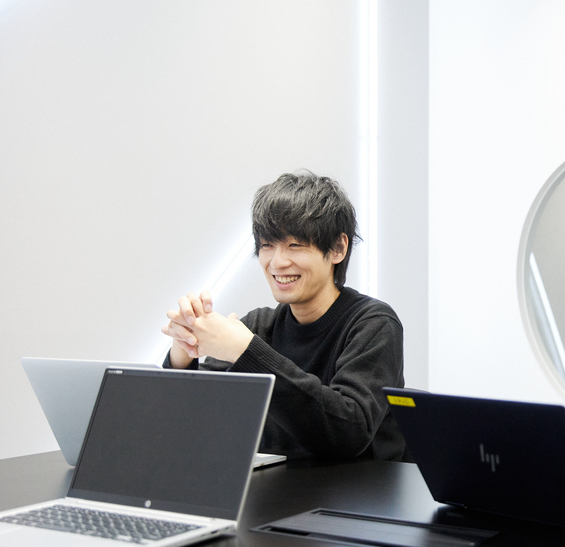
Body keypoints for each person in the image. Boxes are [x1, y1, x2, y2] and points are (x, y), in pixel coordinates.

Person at [161, 171, 407, 461]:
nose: (277, 262)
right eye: (267, 245)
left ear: (338, 248)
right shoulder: (258, 326)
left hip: (356, 487)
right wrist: (183, 352)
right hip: (271, 486)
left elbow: (349, 433)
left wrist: (245, 350)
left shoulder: (374, 324)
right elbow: (189, 421)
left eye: (295, 245)